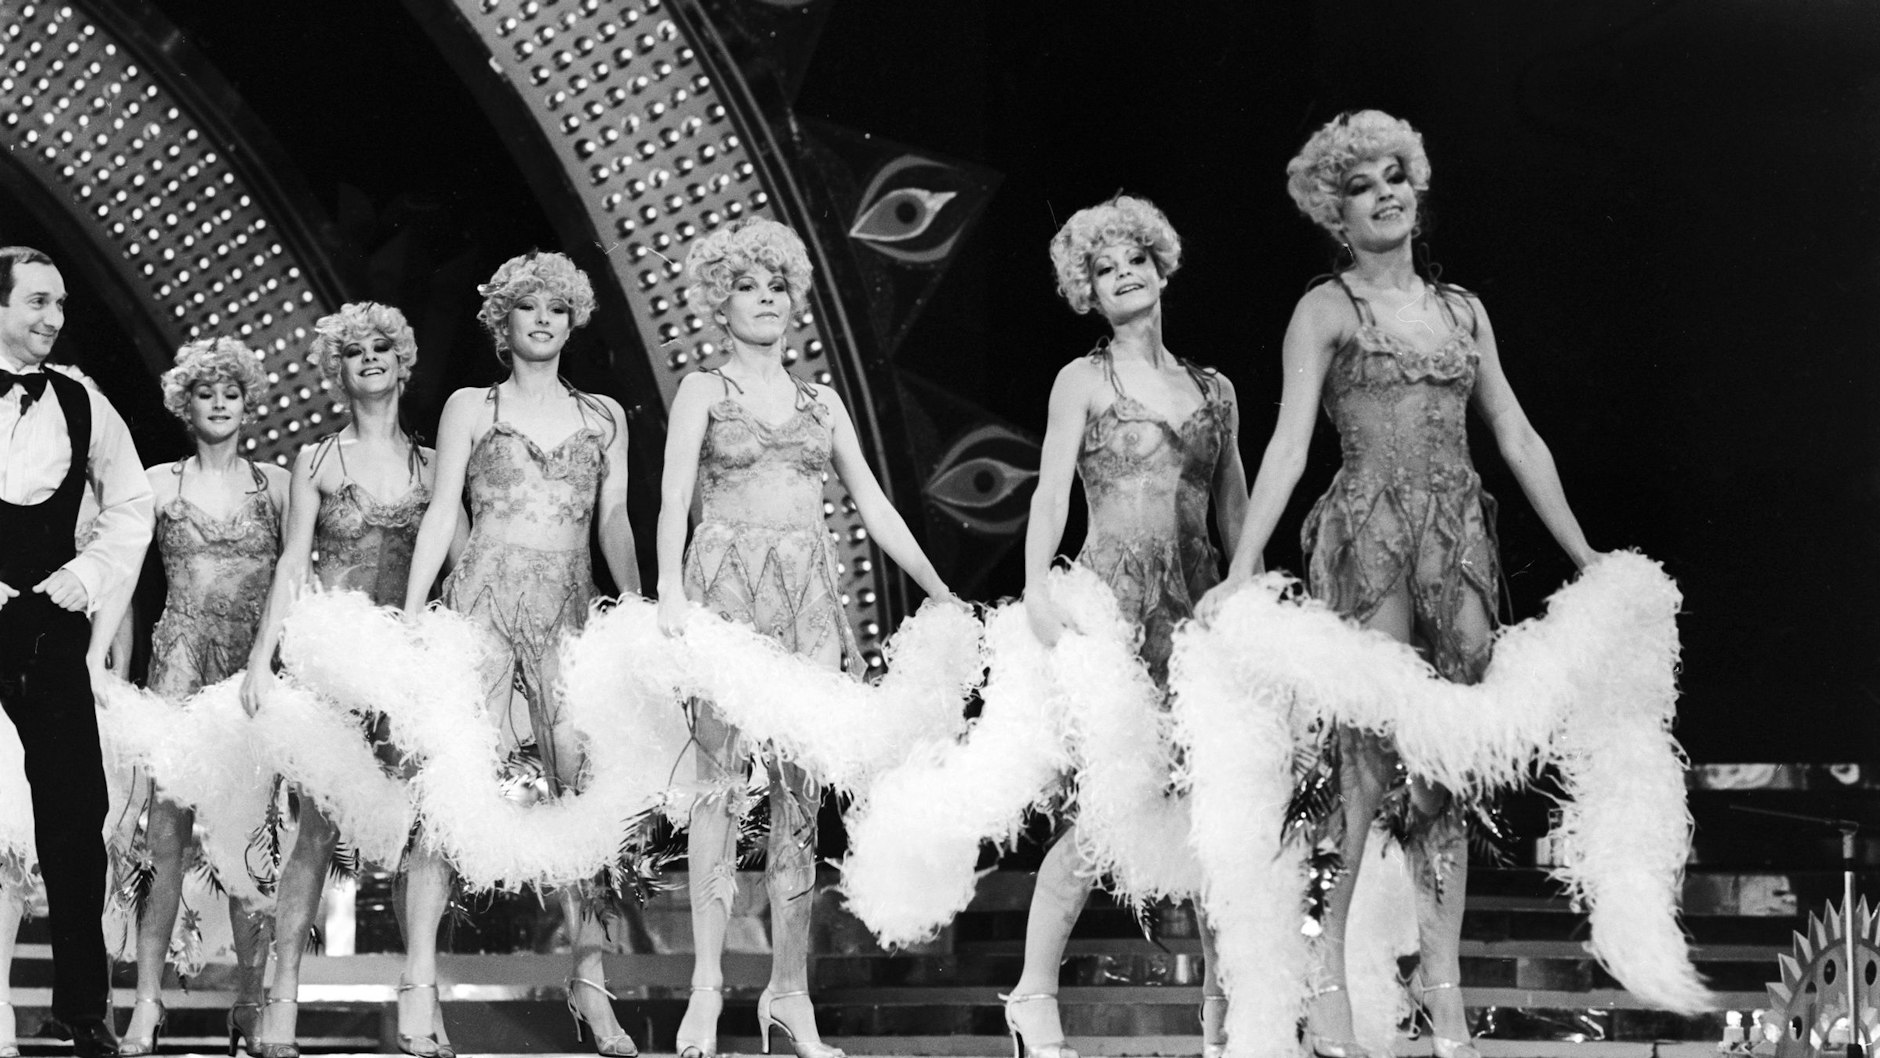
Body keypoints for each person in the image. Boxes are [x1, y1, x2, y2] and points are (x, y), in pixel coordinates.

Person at [1202, 110, 1601, 1058]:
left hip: (1455, 542)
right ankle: (1326, 978)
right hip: (1369, 537)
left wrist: (1587, 557)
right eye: (1361, 186)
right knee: (1364, 765)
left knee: (1447, 768)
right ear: (1335, 213)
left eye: (1394, 176)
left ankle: (1444, 995)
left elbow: (1516, 434)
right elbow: (1288, 445)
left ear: (1416, 187)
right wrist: (1245, 564)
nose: (1385, 194)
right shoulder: (1327, 308)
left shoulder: (1465, 312)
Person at [656, 218, 954, 1058]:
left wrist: (937, 587)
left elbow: (875, 504)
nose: (765, 299)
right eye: (746, 286)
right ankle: (707, 989)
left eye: (777, 285)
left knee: (800, 801)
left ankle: (790, 992)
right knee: (718, 790)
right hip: (724, 596)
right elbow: (673, 496)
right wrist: (670, 588)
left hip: (807, 605)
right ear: (720, 301)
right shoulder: (703, 389)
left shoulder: (822, 402)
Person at [1004, 196, 1249, 1058]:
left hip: (1196, 614)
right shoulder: (1082, 380)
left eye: (1133, 259)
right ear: (1089, 291)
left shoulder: (1215, 390)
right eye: (1104, 269)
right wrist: (1035, 589)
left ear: (1159, 264)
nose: (1123, 276)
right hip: (1112, 611)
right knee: (1099, 811)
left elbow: (1235, 510)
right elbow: (1049, 493)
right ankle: (1033, 996)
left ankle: (1224, 1016)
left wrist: (1247, 598)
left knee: (1215, 813)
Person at [402, 251, 640, 1057]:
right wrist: (412, 612)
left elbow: (614, 518)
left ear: (573, 320)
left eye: (557, 307)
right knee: (448, 793)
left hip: (567, 617)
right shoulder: (473, 406)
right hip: (482, 612)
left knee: (585, 801)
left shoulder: (605, 415)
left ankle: (590, 984)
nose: (543, 318)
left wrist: (635, 607)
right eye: (527, 306)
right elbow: (441, 512)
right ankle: (419, 984)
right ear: (501, 322)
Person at [239, 302, 454, 1058]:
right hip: (333, 658)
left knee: (427, 825)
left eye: (381, 347)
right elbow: (292, 563)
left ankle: (420, 997)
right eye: (354, 350)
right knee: (315, 829)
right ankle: (282, 1000)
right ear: (338, 369)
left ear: (402, 362)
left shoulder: (434, 464)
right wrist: (263, 657)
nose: (369, 358)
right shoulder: (317, 460)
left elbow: (459, 558)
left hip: (408, 660)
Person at [0, 246, 154, 1058]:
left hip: (48, 626)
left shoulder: (80, 402)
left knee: (73, 812)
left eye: (60, 304)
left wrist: (86, 574)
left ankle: (82, 1008)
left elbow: (133, 503)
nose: (54, 318)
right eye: (37, 301)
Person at [118, 339, 289, 1056]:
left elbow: (296, 580)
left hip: (251, 671)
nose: (220, 403)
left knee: (252, 838)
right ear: (184, 404)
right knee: (166, 837)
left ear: (249, 403)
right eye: (205, 392)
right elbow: (119, 579)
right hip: (179, 667)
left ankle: (250, 1002)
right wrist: (109, 662)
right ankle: (146, 1003)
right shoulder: (158, 484)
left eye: (232, 392)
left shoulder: (279, 485)